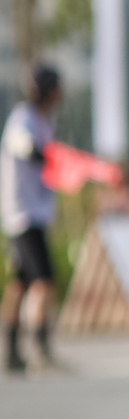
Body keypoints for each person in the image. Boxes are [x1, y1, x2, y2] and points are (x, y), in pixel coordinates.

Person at [3, 64, 63, 374]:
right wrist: (38, 153)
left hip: (32, 212)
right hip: (25, 215)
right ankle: (41, 348)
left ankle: (11, 350)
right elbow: (22, 145)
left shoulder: (44, 121)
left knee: (21, 283)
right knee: (44, 281)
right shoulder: (23, 118)